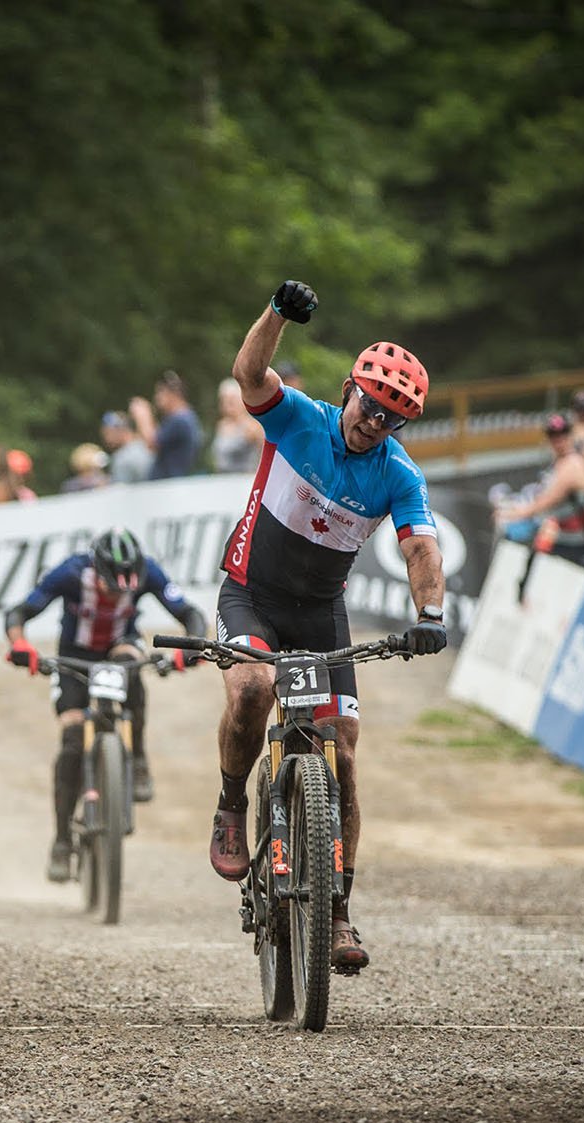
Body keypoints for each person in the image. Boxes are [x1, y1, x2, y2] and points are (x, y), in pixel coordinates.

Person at [208, 279, 448, 975]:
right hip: (251, 593)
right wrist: (278, 314)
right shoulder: (300, 420)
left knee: (342, 754)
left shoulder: (398, 474)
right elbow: (249, 374)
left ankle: (337, 910)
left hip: (319, 613)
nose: (375, 424)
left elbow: (420, 548)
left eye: (392, 419)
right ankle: (230, 805)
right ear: (351, 390)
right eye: (372, 406)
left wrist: (430, 615)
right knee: (252, 690)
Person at [3, 529, 208, 882]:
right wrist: (20, 645)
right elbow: (20, 611)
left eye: (125, 591)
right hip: (74, 657)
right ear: (95, 571)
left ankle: (139, 758)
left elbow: (189, 612)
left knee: (132, 667)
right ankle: (62, 840)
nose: (117, 595)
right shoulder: (69, 573)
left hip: (120, 644)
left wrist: (190, 648)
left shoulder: (149, 571)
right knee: (70, 739)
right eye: (111, 588)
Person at [492, 414, 584, 570]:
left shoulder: (573, 463)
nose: (558, 440)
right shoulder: (556, 464)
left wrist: (514, 514)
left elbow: (547, 500)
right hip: (558, 540)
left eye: (563, 434)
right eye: (553, 435)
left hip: (574, 543)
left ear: (570, 435)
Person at [130, 371, 203, 480]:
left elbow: (151, 443)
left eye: (160, 393)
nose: (157, 398)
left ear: (173, 394)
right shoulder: (182, 418)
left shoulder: (180, 420)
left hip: (170, 486)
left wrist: (143, 416)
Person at [209, 376, 264, 474]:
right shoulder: (221, 425)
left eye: (232, 399)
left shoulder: (252, 426)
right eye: (224, 400)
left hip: (244, 480)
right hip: (223, 480)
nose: (228, 403)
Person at [98, 411, 152, 484]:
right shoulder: (147, 446)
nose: (106, 438)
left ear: (120, 430)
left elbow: (120, 491)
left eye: (108, 433)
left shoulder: (121, 458)